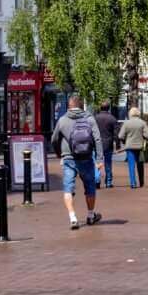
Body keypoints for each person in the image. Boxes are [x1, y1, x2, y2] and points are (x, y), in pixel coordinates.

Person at [50, 93, 105, 230]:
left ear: (69, 106)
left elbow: (54, 139)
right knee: (90, 186)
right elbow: (97, 139)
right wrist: (99, 159)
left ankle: (73, 218)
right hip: (86, 157)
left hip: (68, 158)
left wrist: (59, 153)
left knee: (68, 188)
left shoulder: (62, 120)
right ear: (81, 105)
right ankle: (91, 215)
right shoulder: (89, 119)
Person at [120, 105, 148, 188]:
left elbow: (120, 136)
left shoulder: (126, 123)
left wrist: (125, 140)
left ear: (130, 114)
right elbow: (147, 135)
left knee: (131, 165)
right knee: (140, 165)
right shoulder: (142, 123)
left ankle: (133, 183)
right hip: (140, 147)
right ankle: (141, 182)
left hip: (129, 147)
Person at [94, 102, 118, 190]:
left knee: (97, 163)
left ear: (100, 108)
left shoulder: (95, 118)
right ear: (108, 108)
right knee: (108, 164)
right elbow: (116, 134)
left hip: (97, 144)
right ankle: (108, 182)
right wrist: (117, 144)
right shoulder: (112, 118)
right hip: (108, 144)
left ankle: (97, 181)